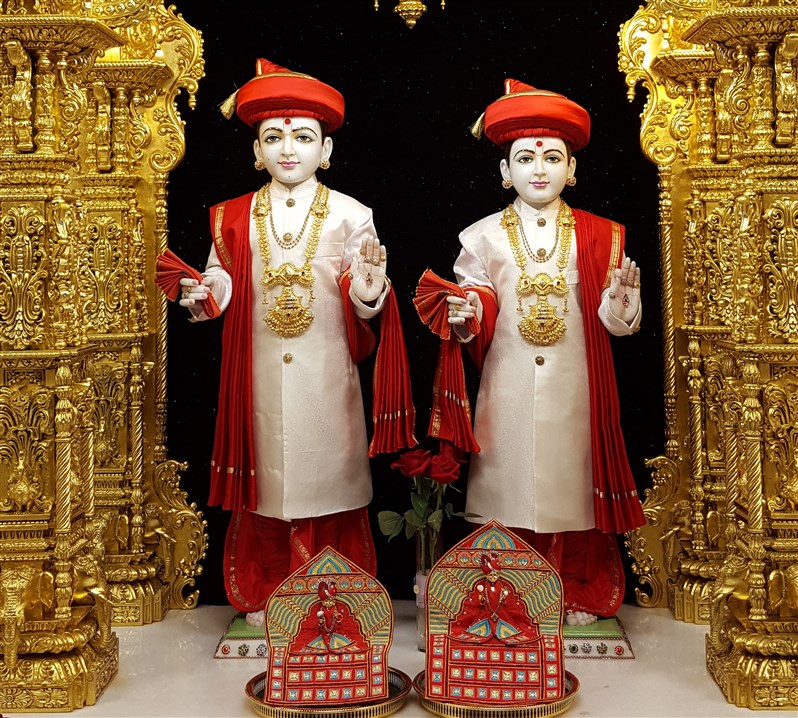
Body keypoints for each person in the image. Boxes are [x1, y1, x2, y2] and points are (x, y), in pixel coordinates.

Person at [179, 59, 415, 626]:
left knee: (324, 482)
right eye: (273, 138)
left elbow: (367, 293)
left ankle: (330, 598)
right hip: (257, 376)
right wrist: (203, 293)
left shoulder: (352, 215)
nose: (288, 149)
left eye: (304, 137)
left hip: (326, 376)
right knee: (269, 486)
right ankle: (268, 592)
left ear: (326, 151)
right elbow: (222, 279)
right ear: (255, 150)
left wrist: (369, 292)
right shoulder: (233, 216)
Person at [420, 79, 646, 626]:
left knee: (570, 488)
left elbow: (613, 322)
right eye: (525, 158)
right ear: (505, 170)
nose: (538, 168)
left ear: (573, 168)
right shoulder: (481, 236)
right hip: (508, 386)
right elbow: (478, 299)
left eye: (552, 157)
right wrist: (466, 315)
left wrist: (621, 305)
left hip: (576, 387)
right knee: (510, 485)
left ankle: (573, 589)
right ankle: (509, 594)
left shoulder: (602, 235)